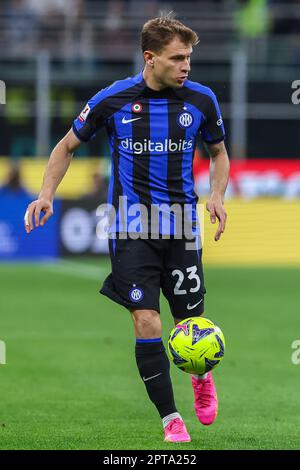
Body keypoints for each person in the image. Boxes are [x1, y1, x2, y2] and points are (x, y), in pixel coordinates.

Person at [24, 15, 230, 443]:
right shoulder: (113, 100)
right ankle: (170, 418)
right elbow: (66, 147)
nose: (186, 66)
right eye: (177, 59)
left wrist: (217, 195)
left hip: (180, 226)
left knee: (189, 323)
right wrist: (46, 194)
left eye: (189, 57)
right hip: (130, 228)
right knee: (146, 319)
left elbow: (219, 153)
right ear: (150, 58)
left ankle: (199, 375)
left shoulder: (202, 100)